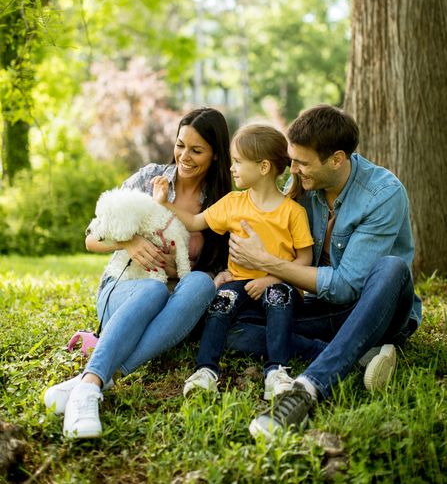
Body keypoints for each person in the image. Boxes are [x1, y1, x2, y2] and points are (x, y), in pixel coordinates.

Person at [223, 105, 422, 439]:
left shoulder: (383, 194)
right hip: (317, 307)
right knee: (231, 325)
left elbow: (345, 286)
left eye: (302, 163)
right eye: (292, 160)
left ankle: (308, 388)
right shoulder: (302, 188)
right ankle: (355, 355)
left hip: (372, 309)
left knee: (392, 268)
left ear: (337, 159)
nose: (293, 169)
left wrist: (269, 263)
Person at [44, 107, 232, 439]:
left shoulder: (221, 202)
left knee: (200, 283)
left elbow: (217, 268)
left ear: (216, 155)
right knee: (152, 289)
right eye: (180, 145)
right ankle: (91, 385)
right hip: (126, 290)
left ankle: (94, 378)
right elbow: (91, 237)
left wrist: (193, 272)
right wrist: (128, 243)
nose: (183, 157)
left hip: (174, 308)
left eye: (196, 150)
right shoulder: (149, 178)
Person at [152, 124, 314, 400]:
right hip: (239, 283)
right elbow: (193, 221)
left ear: (263, 167)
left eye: (238, 162)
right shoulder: (233, 203)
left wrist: (272, 278)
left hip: (281, 284)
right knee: (222, 300)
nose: (231, 168)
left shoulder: (292, 212)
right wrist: (163, 203)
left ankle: (276, 371)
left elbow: (305, 259)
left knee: (276, 296)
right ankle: (206, 371)